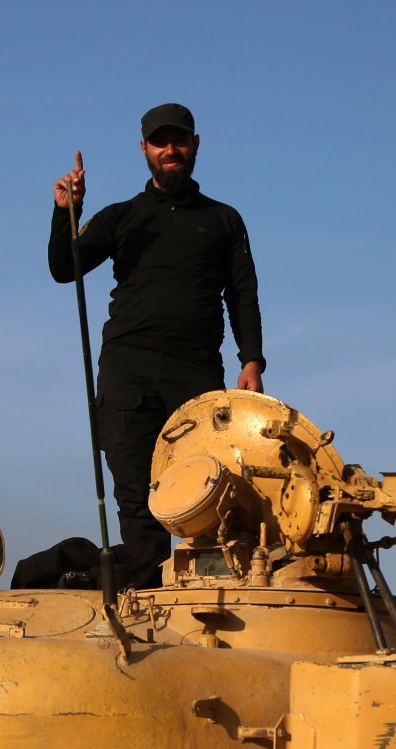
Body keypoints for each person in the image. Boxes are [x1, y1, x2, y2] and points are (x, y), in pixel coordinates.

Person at [48, 102, 266, 588]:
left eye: (179, 141)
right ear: (144, 149)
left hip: (197, 377)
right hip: (129, 372)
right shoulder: (123, 216)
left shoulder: (224, 220)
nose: (171, 150)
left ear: (195, 146)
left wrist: (251, 359)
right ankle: (128, 603)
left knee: (204, 500)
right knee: (139, 508)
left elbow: (242, 290)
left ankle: (209, 613)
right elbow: (67, 268)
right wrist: (68, 211)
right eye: (160, 142)